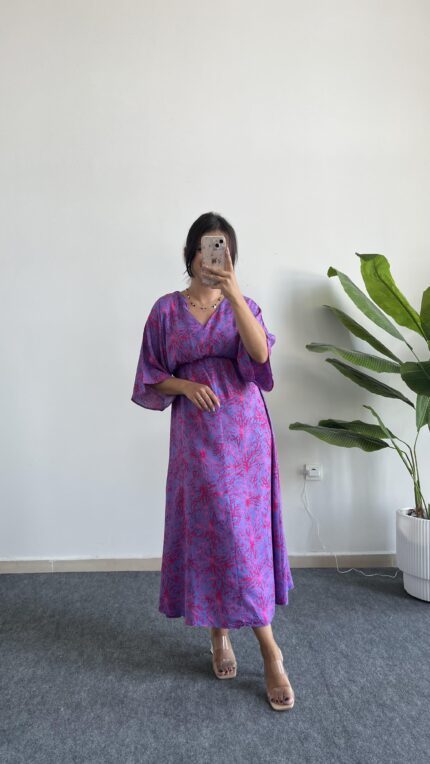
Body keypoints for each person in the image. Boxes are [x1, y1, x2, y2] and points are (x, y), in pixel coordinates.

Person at [131, 212, 295, 710]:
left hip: (245, 438)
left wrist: (235, 291)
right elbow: (150, 375)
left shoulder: (245, 305)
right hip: (196, 439)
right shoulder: (166, 311)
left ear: (231, 257)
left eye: (222, 250)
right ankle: (219, 635)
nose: (213, 258)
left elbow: (259, 356)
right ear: (191, 255)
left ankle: (269, 650)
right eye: (206, 248)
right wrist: (185, 385)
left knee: (243, 540)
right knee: (211, 533)